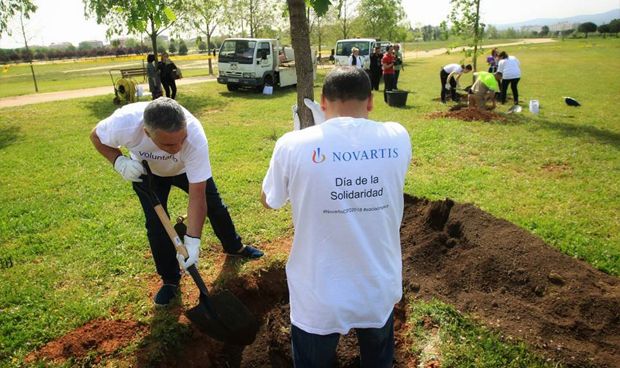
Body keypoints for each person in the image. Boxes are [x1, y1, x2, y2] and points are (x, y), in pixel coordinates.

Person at [261, 66, 412, 367]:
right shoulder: (398, 136)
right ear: (370, 101)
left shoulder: (292, 146)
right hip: (377, 287)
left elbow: (270, 201)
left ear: (323, 102)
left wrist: (294, 149)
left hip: (319, 292)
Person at [90, 98, 264, 306]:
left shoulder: (195, 136)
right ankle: (170, 280)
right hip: (146, 173)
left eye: (182, 139)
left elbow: (197, 195)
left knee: (215, 207)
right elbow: (96, 136)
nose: (178, 147)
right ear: (146, 132)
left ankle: (234, 246)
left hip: (184, 170)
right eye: (169, 144)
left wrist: (193, 241)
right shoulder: (125, 123)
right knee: (156, 224)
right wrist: (119, 162)